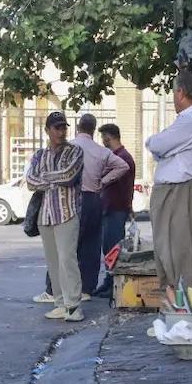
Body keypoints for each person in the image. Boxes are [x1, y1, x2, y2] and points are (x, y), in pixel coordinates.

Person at [146, 70, 192, 295]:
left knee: (182, 256)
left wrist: (159, 147)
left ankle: (186, 313)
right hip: (177, 191)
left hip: (181, 192)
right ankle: (177, 310)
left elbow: (157, 144)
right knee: (169, 253)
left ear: (181, 92)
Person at [25, 111, 86, 322]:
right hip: (45, 215)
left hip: (67, 212)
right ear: (47, 130)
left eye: (63, 128)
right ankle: (60, 303)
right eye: (56, 128)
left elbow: (69, 175)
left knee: (67, 259)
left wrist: (45, 178)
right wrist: (52, 179)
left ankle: (74, 305)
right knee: (53, 262)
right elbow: (31, 181)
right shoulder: (40, 155)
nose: (61, 132)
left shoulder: (75, 151)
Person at [71, 113, 130, 299]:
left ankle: (61, 288)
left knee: (69, 246)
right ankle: (88, 288)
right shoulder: (102, 152)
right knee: (92, 246)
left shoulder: (69, 147)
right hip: (95, 201)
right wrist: (101, 182)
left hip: (76, 198)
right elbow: (123, 168)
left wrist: (102, 182)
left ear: (78, 127)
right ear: (93, 130)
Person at [93, 123, 137, 297]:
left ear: (108, 137)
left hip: (115, 209)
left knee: (113, 249)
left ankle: (113, 286)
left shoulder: (121, 158)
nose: (102, 141)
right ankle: (108, 282)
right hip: (113, 208)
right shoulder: (120, 156)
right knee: (109, 248)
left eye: (103, 137)